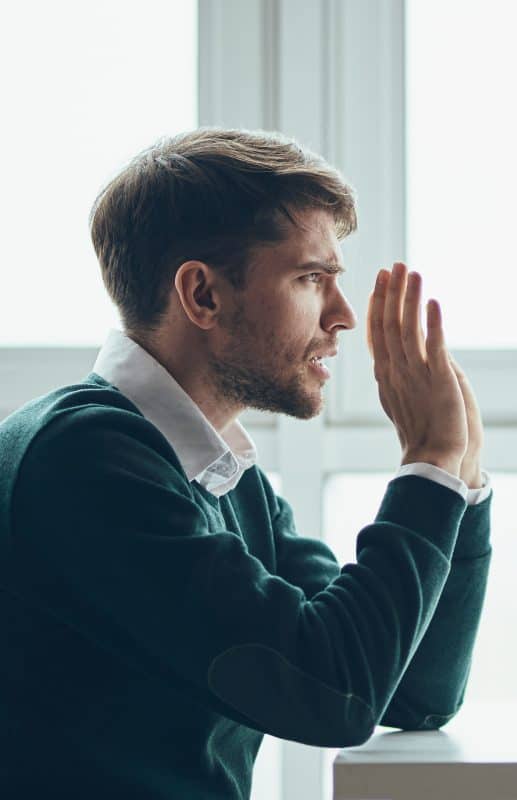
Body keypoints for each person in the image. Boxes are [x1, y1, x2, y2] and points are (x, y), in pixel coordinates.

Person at [0, 129, 492, 798]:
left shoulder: (217, 472)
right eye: (310, 278)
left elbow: (411, 694)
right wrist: (428, 464)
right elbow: (337, 692)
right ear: (202, 295)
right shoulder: (86, 463)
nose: (343, 316)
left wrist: (457, 477)